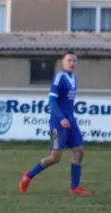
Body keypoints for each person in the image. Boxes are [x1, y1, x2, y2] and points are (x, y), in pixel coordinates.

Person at [20, 51, 92, 195]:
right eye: (69, 60)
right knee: (55, 157)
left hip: (70, 120)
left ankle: (74, 187)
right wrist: (61, 118)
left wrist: (68, 118)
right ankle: (28, 175)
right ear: (63, 63)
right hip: (57, 123)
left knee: (79, 151)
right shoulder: (59, 78)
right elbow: (52, 101)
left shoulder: (74, 78)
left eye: (74, 61)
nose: (72, 63)